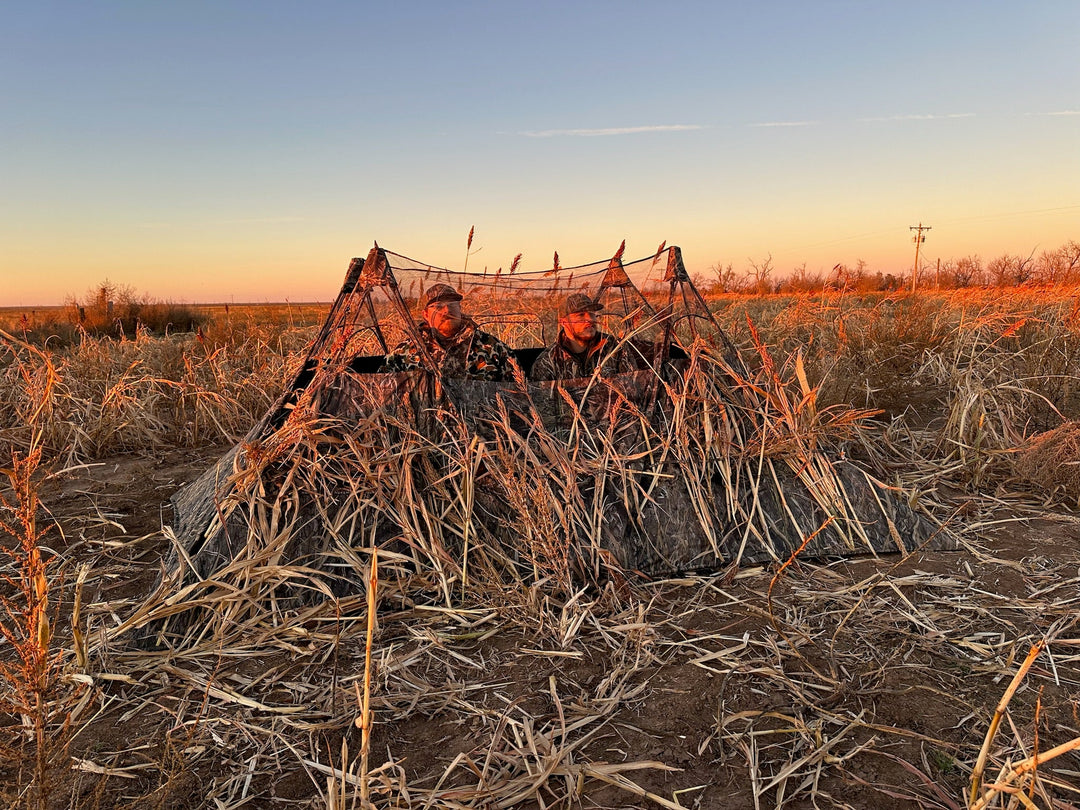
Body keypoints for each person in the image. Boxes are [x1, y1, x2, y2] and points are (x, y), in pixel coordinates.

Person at [383, 283, 512, 381]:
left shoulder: (490, 347)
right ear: (426, 314)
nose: (447, 310)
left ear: (459, 308)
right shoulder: (405, 353)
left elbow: (518, 389)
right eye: (438, 306)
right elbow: (382, 391)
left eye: (452, 304)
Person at [530, 293, 636, 381]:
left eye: (592, 314)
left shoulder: (614, 348)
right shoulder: (548, 360)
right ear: (563, 322)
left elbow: (633, 386)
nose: (590, 319)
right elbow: (541, 398)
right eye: (580, 315)